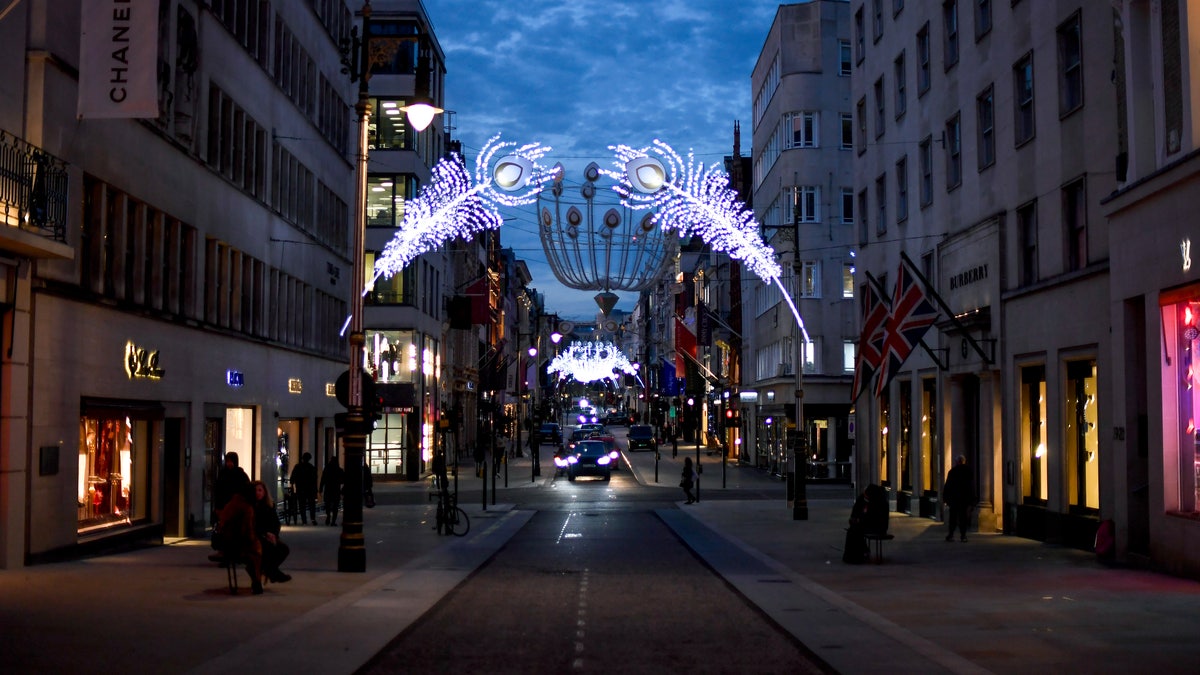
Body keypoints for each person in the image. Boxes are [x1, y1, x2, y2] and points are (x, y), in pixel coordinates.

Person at [214, 483, 263, 594]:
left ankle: (257, 580)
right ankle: (257, 581)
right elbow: (247, 531)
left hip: (225, 544)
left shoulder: (231, 504)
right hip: (238, 545)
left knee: (254, 554)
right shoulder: (247, 508)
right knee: (257, 554)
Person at [248, 480, 291, 584]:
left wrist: (274, 534)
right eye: (255, 490)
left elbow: (276, 523)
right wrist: (265, 533)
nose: (257, 493)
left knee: (283, 549)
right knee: (269, 548)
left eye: (260, 490)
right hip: (256, 536)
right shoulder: (250, 507)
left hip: (269, 535)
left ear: (264, 492)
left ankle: (269, 571)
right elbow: (252, 526)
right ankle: (272, 572)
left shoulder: (268, 506)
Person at [943, 455, 975, 542]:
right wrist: (971, 500)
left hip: (954, 499)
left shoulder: (953, 472)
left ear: (957, 462)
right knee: (963, 518)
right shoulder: (968, 471)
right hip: (964, 499)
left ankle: (951, 535)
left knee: (953, 517)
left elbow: (948, 486)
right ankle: (963, 536)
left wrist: (946, 498)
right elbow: (971, 486)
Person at [212, 452, 250, 525]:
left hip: (237, 508)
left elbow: (246, 489)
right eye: (228, 461)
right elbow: (218, 491)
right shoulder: (223, 474)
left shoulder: (241, 475)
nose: (229, 463)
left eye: (231, 461)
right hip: (224, 506)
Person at [289, 452, 318, 525]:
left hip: (301, 488)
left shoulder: (298, 467)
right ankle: (312, 518)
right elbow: (314, 479)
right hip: (310, 489)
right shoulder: (311, 467)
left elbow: (292, 477)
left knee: (302, 505)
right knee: (311, 505)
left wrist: (292, 484)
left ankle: (304, 520)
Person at [319, 455, 344, 526]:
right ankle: (333, 521)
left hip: (328, 489)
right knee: (335, 506)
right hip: (336, 489)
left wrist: (320, 489)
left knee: (327, 504)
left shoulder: (327, 469)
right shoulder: (339, 470)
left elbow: (322, 480)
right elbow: (343, 480)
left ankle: (328, 516)